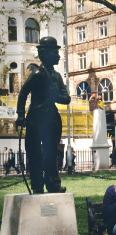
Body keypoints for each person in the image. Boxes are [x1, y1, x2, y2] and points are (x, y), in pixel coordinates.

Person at [15, 36, 71, 194]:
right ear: (44, 54)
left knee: (52, 152)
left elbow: (66, 98)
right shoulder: (37, 74)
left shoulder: (57, 77)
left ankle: (53, 184)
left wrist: (55, 96)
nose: (58, 56)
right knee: (34, 152)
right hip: (35, 117)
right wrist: (20, 115)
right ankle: (37, 185)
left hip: (52, 117)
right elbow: (23, 93)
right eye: (55, 53)